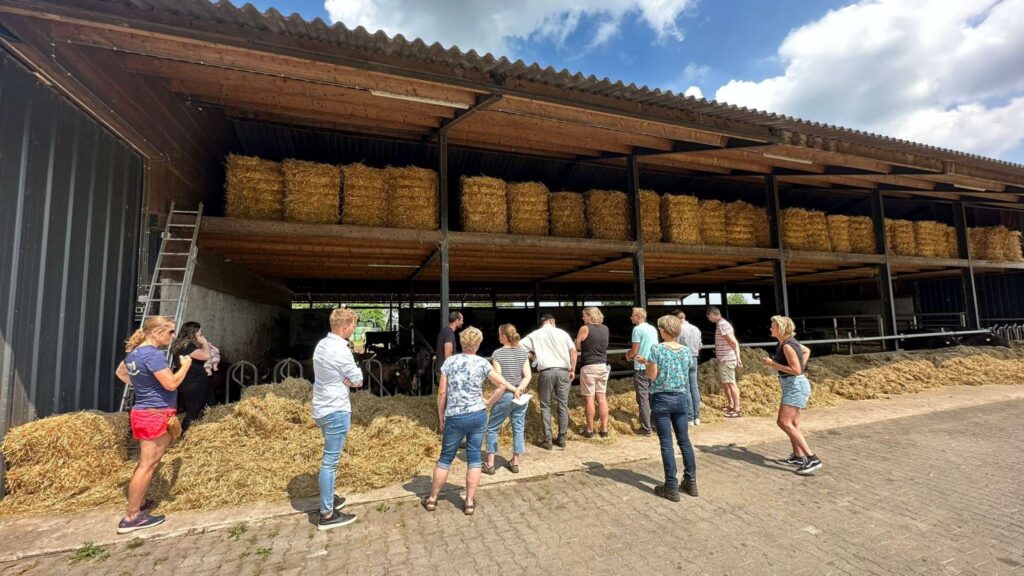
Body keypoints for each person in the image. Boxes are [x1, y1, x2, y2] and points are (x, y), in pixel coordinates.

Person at [114, 316, 192, 533]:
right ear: (156, 332)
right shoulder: (153, 355)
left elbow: (120, 373)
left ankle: (137, 503)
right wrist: (185, 366)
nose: (173, 336)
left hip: (143, 411)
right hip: (154, 415)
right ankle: (131, 517)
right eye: (170, 332)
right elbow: (172, 383)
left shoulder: (135, 353)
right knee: (147, 465)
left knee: (147, 463)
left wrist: (144, 387)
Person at [423, 327, 511, 515]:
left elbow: (442, 392)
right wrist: (488, 401)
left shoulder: (449, 363)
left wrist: (441, 415)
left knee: (445, 458)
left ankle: (432, 499)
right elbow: (502, 384)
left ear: (461, 343)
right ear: (478, 344)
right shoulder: (483, 363)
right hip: (477, 414)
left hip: (454, 415)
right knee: (473, 459)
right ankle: (469, 502)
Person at [311, 308, 364, 530]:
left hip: (321, 407)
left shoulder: (322, 345)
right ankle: (327, 514)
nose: (353, 329)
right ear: (344, 328)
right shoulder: (341, 351)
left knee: (329, 460)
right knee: (330, 462)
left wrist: (347, 379)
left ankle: (329, 499)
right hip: (336, 409)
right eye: (352, 326)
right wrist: (351, 380)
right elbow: (358, 379)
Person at [637, 315, 697, 502]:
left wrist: (646, 363)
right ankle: (691, 480)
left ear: (664, 330)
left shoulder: (657, 349)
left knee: (666, 443)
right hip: (680, 397)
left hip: (661, 397)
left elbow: (653, 376)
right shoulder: (685, 351)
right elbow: (687, 370)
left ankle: (671, 485)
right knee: (684, 441)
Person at [761, 315, 823, 476]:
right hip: (792, 384)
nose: (770, 329)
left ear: (781, 329)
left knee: (783, 422)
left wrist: (772, 364)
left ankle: (812, 457)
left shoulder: (787, 346)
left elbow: (796, 370)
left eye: (773, 327)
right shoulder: (786, 342)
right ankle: (797, 455)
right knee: (793, 422)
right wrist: (800, 365)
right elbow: (806, 350)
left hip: (794, 385)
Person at [520, 314, 577, 449]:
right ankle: (562, 438)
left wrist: (532, 357)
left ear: (543, 323)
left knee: (545, 405)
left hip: (546, 372)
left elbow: (519, 345)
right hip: (563, 371)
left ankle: (548, 439)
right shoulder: (562, 333)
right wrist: (572, 370)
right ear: (552, 321)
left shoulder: (536, 334)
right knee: (563, 404)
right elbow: (573, 351)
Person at [484, 324, 531, 474]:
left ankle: (490, 464)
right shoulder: (522, 353)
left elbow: (500, 379)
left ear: (504, 336)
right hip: (521, 397)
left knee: (492, 428)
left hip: (505, 395)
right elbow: (528, 375)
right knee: (518, 427)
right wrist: (519, 389)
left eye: (499, 334)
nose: (498, 337)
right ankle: (515, 462)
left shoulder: (497, 354)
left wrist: (512, 389)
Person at [169, 321, 212, 434]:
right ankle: (182, 435)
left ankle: (193, 432)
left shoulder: (180, 346)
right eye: (200, 333)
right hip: (194, 383)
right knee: (193, 410)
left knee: (205, 405)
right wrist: (205, 343)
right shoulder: (188, 347)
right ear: (193, 333)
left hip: (188, 382)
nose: (201, 336)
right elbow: (206, 356)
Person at [575, 306, 610, 438]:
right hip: (602, 365)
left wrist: (578, 342)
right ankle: (604, 429)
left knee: (589, 399)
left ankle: (590, 430)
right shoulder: (605, 328)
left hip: (589, 366)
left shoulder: (585, 328)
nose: (583, 318)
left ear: (590, 316)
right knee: (601, 397)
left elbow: (578, 346)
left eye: (584, 315)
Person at [624, 307, 658, 436]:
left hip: (641, 366)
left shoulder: (637, 329)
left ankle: (646, 427)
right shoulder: (652, 329)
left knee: (643, 397)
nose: (631, 317)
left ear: (638, 317)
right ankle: (655, 424)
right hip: (652, 365)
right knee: (653, 395)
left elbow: (635, 350)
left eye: (633, 315)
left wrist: (628, 355)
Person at [707, 306, 742, 417]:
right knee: (726, 383)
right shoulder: (722, 324)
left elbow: (733, 342)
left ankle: (737, 409)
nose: (708, 319)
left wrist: (737, 356)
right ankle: (731, 405)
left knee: (731, 383)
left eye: (709, 316)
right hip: (724, 358)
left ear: (713, 314)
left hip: (727, 359)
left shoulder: (722, 325)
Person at [674, 310, 703, 426]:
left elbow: (676, 346)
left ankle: (690, 417)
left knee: (686, 388)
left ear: (676, 318)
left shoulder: (679, 330)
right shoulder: (696, 329)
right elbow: (700, 345)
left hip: (683, 358)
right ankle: (697, 417)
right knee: (694, 387)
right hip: (694, 357)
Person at [435, 311, 464, 379]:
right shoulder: (449, 333)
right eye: (462, 320)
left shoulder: (445, 331)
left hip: (442, 370)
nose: (462, 322)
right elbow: (447, 355)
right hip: (445, 372)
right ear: (457, 320)